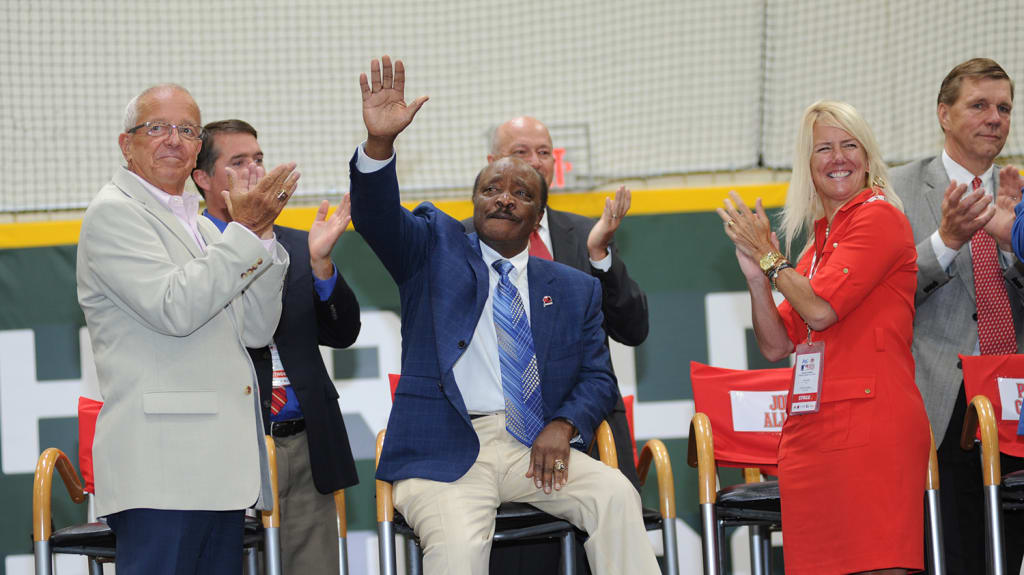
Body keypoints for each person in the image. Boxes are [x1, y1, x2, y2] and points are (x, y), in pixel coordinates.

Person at [349, 56, 659, 575]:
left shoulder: (574, 287)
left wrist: (565, 424)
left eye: (522, 194)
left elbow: (598, 376)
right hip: (446, 453)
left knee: (614, 495)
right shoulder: (433, 252)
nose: (504, 199)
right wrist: (380, 145)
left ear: (539, 216)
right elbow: (377, 217)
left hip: (531, 447)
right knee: (460, 553)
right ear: (473, 201)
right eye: (492, 189)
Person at [76, 84, 297, 574]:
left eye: (187, 130)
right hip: (162, 472)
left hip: (217, 469)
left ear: (199, 147)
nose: (173, 139)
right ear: (125, 143)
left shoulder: (197, 224)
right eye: (157, 127)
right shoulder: (114, 212)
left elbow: (257, 331)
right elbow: (173, 307)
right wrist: (243, 234)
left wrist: (260, 235)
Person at [718, 100, 930, 574]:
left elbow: (819, 309)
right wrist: (757, 275)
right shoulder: (818, 245)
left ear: (869, 157)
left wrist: (773, 262)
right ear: (807, 165)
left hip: (873, 431)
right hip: (812, 437)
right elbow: (776, 344)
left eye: (849, 145)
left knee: (879, 564)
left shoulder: (879, 218)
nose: (838, 158)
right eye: (824, 149)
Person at [191, 119, 362, 575]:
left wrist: (322, 265)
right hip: (232, 445)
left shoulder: (294, 243)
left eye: (259, 159)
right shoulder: (193, 250)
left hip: (307, 442)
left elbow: (343, 334)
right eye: (238, 162)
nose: (255, 171)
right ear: (203, 178)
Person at [890, 57, 1024, 574]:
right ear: (944, 114)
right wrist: (944, 243)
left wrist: (1013, 247)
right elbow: (884, 294)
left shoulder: (1018, 200)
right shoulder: (896, 191)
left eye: (1005, 108)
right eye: (979, 105)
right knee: (952, 553)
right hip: (941, 400)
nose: (995, 118)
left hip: (1014, 398)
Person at [478, 116, 648, 490]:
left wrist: (600, 257)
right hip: (502, 431)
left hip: (589, 425)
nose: (535, 161)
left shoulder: (588, 233)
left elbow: (633, 330)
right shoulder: (466, 240)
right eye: (520, 152)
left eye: (544, 152)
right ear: (492, 162)